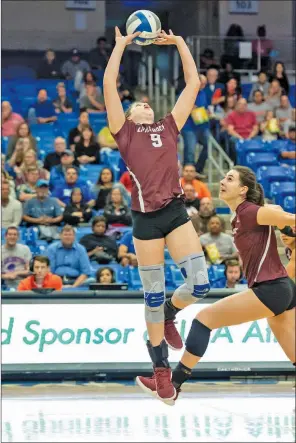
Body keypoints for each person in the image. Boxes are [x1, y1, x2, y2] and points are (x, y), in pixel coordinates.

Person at [104, 27, 210, 403]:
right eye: (139, 105)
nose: (146, 104)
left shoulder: (168, 126)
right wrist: (119, 47)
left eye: (149, 104)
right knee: (150, 295)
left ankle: (170, 314)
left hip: (176, 211)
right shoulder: (125, 132)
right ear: (130, 116)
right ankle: (161, 372)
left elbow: (193, 84)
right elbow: (108, 85)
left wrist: (181, 43)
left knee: (200, 284)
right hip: (146, 221)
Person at [138, 166, 295, 404]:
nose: (222, 181)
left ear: (243, 189)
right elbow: (279, 215)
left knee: (203, 320)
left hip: (271, 287)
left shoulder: (251, 212)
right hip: (280, 289)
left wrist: (288, 229)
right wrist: (287, 231)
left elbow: (287, 217)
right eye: (223, 177)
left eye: (229, 179)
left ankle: (173, 386)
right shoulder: (241, 215)